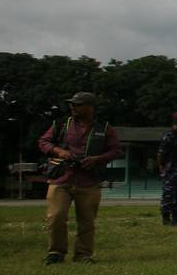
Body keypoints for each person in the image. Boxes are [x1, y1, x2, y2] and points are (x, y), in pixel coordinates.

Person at [37, 91, 121, 263]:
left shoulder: (104, 129)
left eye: (78, 104)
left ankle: (83, 254)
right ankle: (56, 252)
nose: (73, 107)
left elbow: (116, 150)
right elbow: (43, 142)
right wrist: (59, 151)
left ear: (90, 107)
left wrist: (97, 159)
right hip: (62, 178)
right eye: (72, 104)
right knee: (56, 216)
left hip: (89, 180)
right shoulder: (61, 125)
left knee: (87, 221)